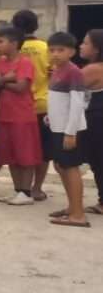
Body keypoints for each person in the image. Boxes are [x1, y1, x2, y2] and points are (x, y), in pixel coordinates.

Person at [0, 27, 44, 204]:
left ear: (14, 44)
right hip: (5, 115)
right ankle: (18, 190)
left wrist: (1, 82)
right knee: (10, 154)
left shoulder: (25, 62)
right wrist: (6, 79)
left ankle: (26, 191)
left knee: (25, 155)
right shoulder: (0, 62)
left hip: (22, 115)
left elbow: (22, 88)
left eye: (1, 42)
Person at [43, 32, 90, 227]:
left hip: (69, 129)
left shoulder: (73, 72)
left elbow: (78, 103)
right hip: (57, 126)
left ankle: (78, 214)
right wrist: (49, 116)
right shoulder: (57, 69)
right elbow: (58, 100)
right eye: (52, 50)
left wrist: (71, 132)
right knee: (60, 166)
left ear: (71, 51)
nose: (55, 54)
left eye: (60, 50)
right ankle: (72, 207)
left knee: (71, 168)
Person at [77, 29, 103, 215]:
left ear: (96, 49)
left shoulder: (93, 69)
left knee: (98, 160)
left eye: (85, 43)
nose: (81, 45)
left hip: (96, 118)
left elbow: (68, 87)